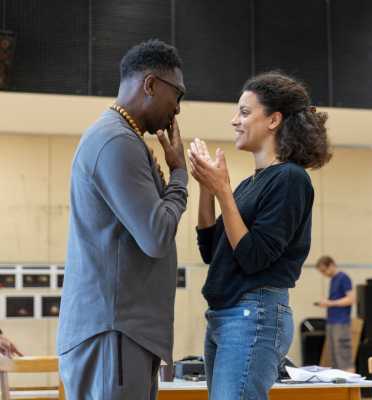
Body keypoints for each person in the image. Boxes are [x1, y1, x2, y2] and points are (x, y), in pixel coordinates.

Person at [57, 39, 188, 400]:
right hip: (113, 333)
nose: (177, 109)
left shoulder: (122, 137)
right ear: (150, 84)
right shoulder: (116, 140)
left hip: (121, 332)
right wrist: (179, 175)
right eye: (176, 94)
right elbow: (157, 234)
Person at [188, 71, 331, 400]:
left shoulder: (291, 179)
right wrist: (208, 190)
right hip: (225, 314)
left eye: (244, 111)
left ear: (274, 120)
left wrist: (223, 191)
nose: (234, 120)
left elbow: (254, 257)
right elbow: (212, 250)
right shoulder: (247, 186)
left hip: (255, 312)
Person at [315, 255, 355, 371]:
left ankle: (349, 386)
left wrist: (330, 303)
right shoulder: (333, 279)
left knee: (343, 356)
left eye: (324, 270)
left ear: (331, 265)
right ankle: (339, 386)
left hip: (341, 322)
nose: (324, 274)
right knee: (334, 356)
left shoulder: (343, 277)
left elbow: (351, 299)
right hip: (332, 321)